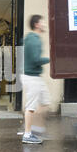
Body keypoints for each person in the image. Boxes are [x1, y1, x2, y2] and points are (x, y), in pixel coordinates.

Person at [22, 15, 50, 144]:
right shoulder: (34, 40)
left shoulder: (33, 38)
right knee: (31, 107)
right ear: (37, 24)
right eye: (43, 23)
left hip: (35, 76)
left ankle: (33, 127)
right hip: (31, 76)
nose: (45, 25)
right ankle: (27, 134)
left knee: (45, 102)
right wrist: (52, 59)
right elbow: (35, 60)